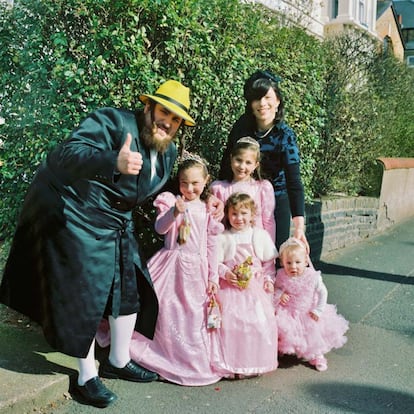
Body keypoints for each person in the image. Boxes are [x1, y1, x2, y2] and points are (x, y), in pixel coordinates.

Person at [0, 80, 206, 408]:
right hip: (77, 212)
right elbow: (66, 154)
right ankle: (86, 376)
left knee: (129, 285)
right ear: (149, 107)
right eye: (164, 111)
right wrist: (112, 160)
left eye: (177, 118)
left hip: (115, 219)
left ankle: (119, 360)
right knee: (86, 294)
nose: (168, 121)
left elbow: (135, 193)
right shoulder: (113, 121)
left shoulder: (167, 154)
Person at [125, 154, 224, 386]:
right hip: (171, 264)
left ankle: (187, 360)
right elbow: (160, 229)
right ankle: (160, 354)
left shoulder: (209, 208)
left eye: (195, 183)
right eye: (184, 182)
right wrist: (174, 213)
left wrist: (213, 276)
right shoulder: (170, 200)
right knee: (165, 307)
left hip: (196, 270)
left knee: (191, 314)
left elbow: (212, 245)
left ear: (206, 180)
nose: (189, 188)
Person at [219, 70, 309, 252]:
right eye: (257, 99)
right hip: (242, 199)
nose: (262, 104)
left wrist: (299, 226)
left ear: (277, 101)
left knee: (273, 255)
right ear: (250, 104)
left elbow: (294, 181)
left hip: (275, 202)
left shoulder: (285, 136)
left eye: (268, 98)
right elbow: (226, 166)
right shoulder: (242, 127)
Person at [211, 192, 278, 379]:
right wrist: (226, 274)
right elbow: (215, 263)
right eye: (234, 214)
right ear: (227, 215)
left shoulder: (259, 235)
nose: (238, 218)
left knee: (257, 322)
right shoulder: (224, 237)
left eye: (243, 214)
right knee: (232, 323)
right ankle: (233, 364)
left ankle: (253, 362)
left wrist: (268, 280)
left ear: (252, 215)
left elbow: (268, 264)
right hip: (231, 287)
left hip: (254, 287)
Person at [274, 237, 349, 372]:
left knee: (312, 334)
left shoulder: (312, 276)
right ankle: (280, 350)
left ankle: (316, 355)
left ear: (305, 262)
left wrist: (318, 310)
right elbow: (277, 287)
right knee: (282, 329)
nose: (293, 266)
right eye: (289, 263)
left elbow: (322, 292)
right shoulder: (281, 275)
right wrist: (280, 294)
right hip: (289, 312)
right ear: (282, 263)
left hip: (307, 311)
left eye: (298, 262)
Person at [210, 136, 276, 242]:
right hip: (227, 247)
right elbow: (214, 221)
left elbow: (268, 221)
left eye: (248, 162)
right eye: (238, 160)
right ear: (231, 159)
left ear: (256, 165)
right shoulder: (219, 188)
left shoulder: (263, 188)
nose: (242, 166)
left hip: (255, 247)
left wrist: (268, 252)